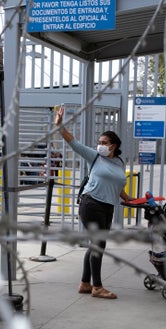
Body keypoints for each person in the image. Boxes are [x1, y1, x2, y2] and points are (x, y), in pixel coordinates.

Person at [54, 106, 132, 299]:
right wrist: (59, 124)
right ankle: (97, 287)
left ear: (113, 145)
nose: (100, 145)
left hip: (108, 206)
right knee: (98, 244)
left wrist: (128, 198)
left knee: (96, 244)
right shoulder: (94, 156)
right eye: (99, 142)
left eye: (104, 142)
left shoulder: (119, 163)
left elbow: (117, 184)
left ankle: (85, 283)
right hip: (91, 204)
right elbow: (73, 142)